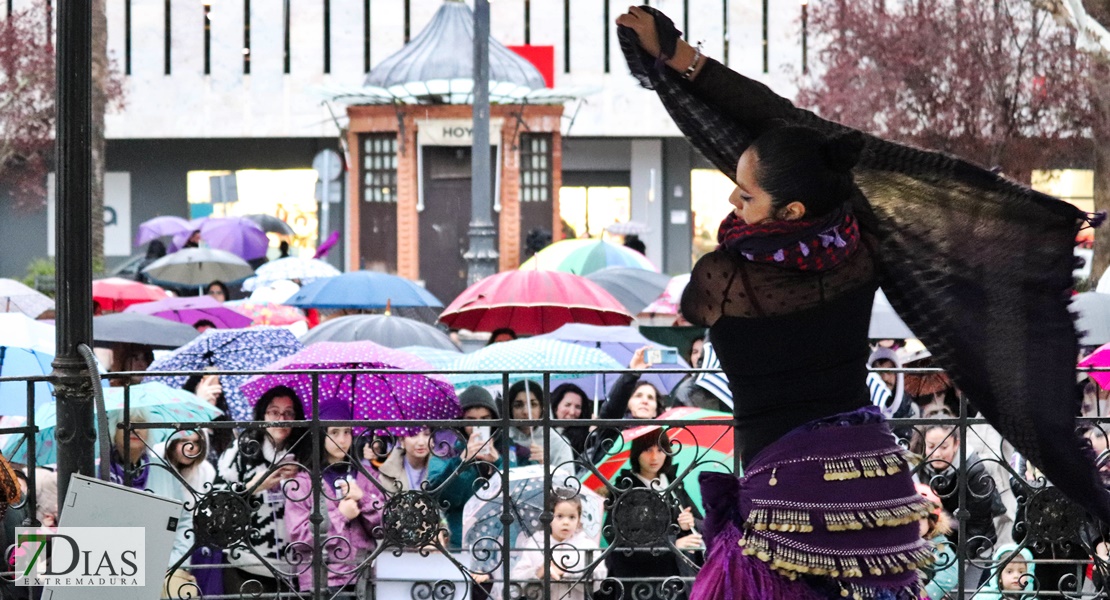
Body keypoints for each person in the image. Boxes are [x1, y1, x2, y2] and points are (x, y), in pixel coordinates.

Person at [614, 5, 1110, 598]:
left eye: (744, 195)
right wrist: (682, 59)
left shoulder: (721, 274)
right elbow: (795, 135)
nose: (732, 199)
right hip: (873, 486)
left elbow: (696, 307)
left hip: (787, 498)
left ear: (791, 211)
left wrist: (676, 63)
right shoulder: (862, 243)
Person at [285, 399, 383, 595]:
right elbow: (299, 537)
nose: (342, 439)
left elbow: (384, 526)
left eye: (347, 431)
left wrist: (363, 499)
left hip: (362, 578)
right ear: (321, 435)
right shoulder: (303, 481)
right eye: (334, 432)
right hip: (320, 581)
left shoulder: (366, 475)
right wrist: (341, 515)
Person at [215, 386, 305, 595]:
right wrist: (253, 487)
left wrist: (301, 477)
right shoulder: (241, 450)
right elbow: (217, 503)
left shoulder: (302, 454)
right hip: (246, 565)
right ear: (262, 415)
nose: (281, 418)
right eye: (274, 412)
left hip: (293, 568)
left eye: (289, 413)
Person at [601, 431, 703, 600]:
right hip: (639, 582)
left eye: (661, 450)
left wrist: (690, 523)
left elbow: (701, 523)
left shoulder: (674, 485)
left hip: (676, 581)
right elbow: (619, 537)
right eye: (648, 450)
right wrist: (672, 543)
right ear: (637, 453)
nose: (654, 457)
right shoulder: (624, 490)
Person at [107, 408, 196, 597]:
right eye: (126, 424)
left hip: (163, 567)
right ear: (113, 432)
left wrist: (172, 562)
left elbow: (184, 522)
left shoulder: (163, 471)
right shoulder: (99, 472)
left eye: (141, 424)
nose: (135, 430)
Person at [427, 386, 524, 550]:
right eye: (471, 420)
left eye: (485, 419)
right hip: (461, 541)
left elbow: (518, 494)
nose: (478, 425)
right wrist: (462, 463)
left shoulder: (509, 448)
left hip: (502, 540)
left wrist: (498, 462)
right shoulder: (446, 452)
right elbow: (443, 499)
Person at [919, 421, 1005, 581]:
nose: (937, 454)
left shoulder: (975, 469)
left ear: (956, 444)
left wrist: (953, 565)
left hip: (973, 549)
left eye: (944, 447)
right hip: (934, 547)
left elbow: (978, 526)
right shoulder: (919, 466)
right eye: (931, 446)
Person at [160, 430, 223, 598]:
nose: (190, 448)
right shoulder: (157, 465)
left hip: (192, 543)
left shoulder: (206, 471)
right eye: (184, 441)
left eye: (196, 443)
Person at [510, 491, 608, 600]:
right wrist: (539, 572)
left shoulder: (587, 545)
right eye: (560, 516)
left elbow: (599, 579)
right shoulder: (535, 544)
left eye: (572, 517)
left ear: (579, 519)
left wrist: (567, 570)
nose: (566, 522)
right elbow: (517, 583)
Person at [506, 379, 575, 471]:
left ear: (542, 408)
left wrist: (546, 465)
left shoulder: (558, 443)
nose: (526, 412)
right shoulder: (500, 440)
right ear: (510, 409)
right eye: (518, 405)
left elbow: (568, 482)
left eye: (533, 404)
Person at [915, 484, 958, 600]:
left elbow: (951, 573)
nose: (915, 523)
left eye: (922, 517)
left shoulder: (937, 541)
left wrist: (927, 595)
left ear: (931, 521)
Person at [182, 371, 235, 462]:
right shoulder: (182, 419)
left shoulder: (225, 427)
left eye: (215, 393)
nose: (211, 396)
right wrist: (199, 405)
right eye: (207, 389)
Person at [377, 426, 432, 493]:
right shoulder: (389, 472)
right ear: (402, 440)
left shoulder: (441, 468)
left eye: (426, 434)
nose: (421, 443)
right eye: (413, 435)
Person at [551, 383, 591, 457]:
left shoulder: (587, 440)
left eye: (578, 407)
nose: (572, 412)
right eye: (567, 405)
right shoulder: (541, 432)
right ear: (555, 407)